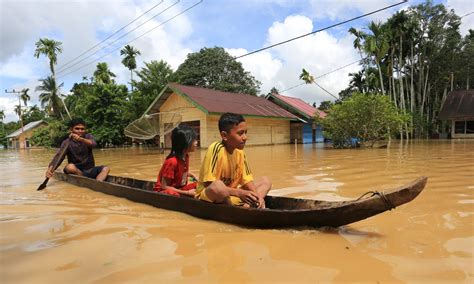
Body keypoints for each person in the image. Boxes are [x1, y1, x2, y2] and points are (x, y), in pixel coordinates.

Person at [195, 112, 271, 208]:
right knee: (218, 186)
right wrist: (239, 192)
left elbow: (247, 181)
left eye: (245, 132)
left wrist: (257, 197)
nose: (245, 137)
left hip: (231, 194)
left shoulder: (240, 152)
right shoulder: (215, 148)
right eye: (240, 133)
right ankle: (236, 209)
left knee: (265, 181)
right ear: (224, 136)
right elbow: (209, 183)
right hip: (211, 195)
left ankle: (253, 204)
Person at [45, 118, 110, 181]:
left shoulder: (88, 136)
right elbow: (59, 157)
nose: (80, 131)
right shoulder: (67, 142)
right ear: (71, 129)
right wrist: (50, 170)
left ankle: (97, 183)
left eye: (82, 129)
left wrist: (81, 139)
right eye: (77, 129)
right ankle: (86, 180)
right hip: (76, 170)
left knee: (106, 168)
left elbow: (94, 144)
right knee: (70, 167)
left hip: (89, 170)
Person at [153, 124, 198, 197]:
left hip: (180, 188)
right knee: (174, 194)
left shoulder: (186, 156)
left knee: (199, 185)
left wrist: (193, 175)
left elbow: (180, 172)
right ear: (184, 143)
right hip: (165, 191)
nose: (196, 143)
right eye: (194, 140)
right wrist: (187, 193)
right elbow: (164, 187)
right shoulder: (172, 161)